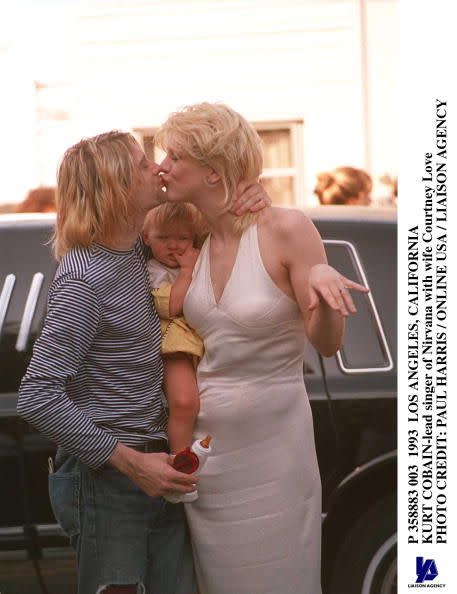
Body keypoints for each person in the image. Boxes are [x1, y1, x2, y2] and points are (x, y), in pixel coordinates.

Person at [17, 130, 268, 594]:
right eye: (141, 165)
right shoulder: (84, 277)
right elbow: (37, 395)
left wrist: (252, 191)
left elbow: (215, 235)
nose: (156, 169)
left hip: (160, 468)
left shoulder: (140, 254)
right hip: (109, 482)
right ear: (116, 186)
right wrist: (132, 464)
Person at [155, 102, 369, 594]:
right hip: (206, 459)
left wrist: (321, 285)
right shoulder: (193, 237)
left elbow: (327, 344)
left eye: (175, 155)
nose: (163, 165)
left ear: (213, 170)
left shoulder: (285, 229)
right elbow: (124, 214)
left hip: (275, 455)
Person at [142, 203, 204, 454]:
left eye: (183, 238)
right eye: (164, 237)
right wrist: (188, 272)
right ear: (146, 237)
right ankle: (181, 459)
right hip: (174, 345)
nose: (174, 245)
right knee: (184, 402)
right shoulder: (154, 270)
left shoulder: (203, 260)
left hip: (202, 344)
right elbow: (171, 306)